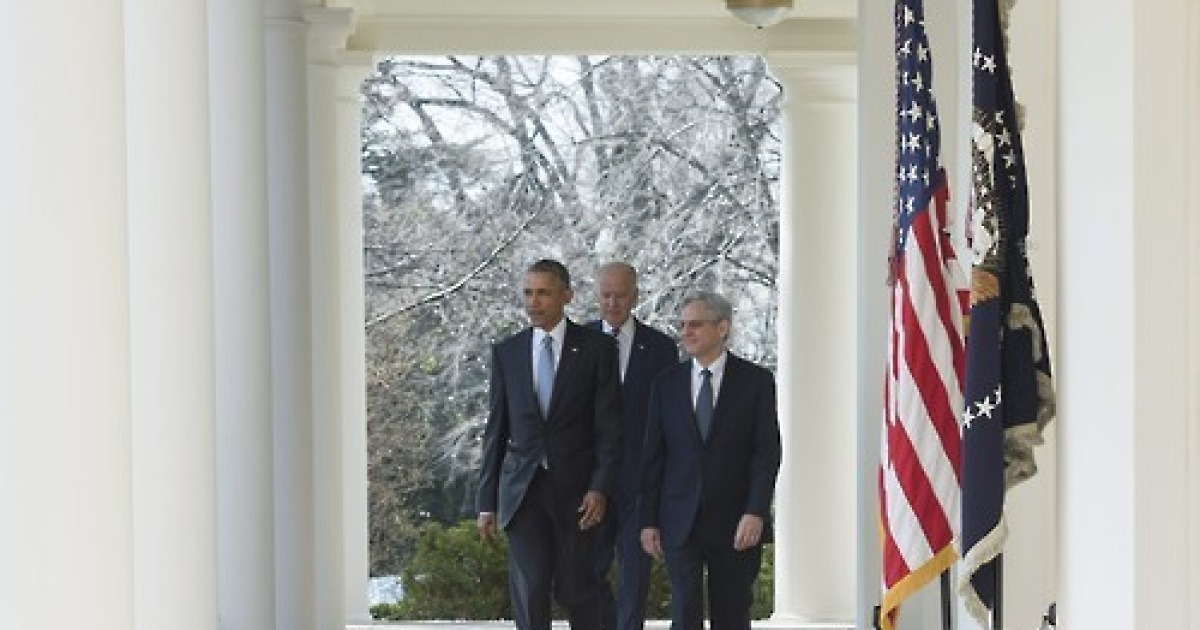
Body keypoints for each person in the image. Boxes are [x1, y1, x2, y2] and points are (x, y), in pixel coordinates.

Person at [477, 258, 623, 630]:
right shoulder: (507, 353)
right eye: (528, 293)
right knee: (531, 587)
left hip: (578, 494)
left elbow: (609, 428)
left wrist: (600, 487)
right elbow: (496, 429)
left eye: (543, 293)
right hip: (522, 492)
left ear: (566, 295)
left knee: (577, 590)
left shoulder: (597, 350)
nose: (533, 302)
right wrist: (486, 501)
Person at [639, 291, 782, 630]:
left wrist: (755, 511)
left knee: (731, 612)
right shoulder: (666, 385)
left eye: (696, 325)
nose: (686, 332)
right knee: (684, 609)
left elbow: (767, 453)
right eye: (683, 325)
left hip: (736, 522)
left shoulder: (756, 382)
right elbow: (653, 457)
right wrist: (648, 520)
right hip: (679, 519)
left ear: (722, 328)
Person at [586, 262, 678, 630]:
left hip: (640, 481)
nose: (612, 303)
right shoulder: (579, 343)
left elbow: (669, 419)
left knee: (635, 575)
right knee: (587, 573)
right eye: (606, 295)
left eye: (620, 295)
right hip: (591, 481)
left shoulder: (659, 348)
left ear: (635, 296)